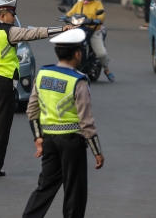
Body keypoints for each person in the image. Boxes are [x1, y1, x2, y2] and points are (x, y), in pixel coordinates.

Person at [0, 0, 75, 177]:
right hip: (3, 83)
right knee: (1, 126)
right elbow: (34, 33)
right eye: (12, 15)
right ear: (3, 15)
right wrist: (62, 29)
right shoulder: (9, 32)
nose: (14, 19)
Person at [22, 28, 104, 218]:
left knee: (45, 187)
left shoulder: (43, 74)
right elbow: (86, 121)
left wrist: (38, 137)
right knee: (74, 191)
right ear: (77, 54)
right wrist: (97, 151)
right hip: (72, 142)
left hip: (49, 139)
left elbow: (32, 109)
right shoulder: (79, 81)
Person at [67, 0, 114, 82]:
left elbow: (101, 15)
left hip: (93, 30)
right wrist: (65, 17)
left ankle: (107, 70)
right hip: (79, 29)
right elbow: (70, 13)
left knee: (101, 54)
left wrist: (98, 19)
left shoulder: (98, 4)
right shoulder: (79, 4)